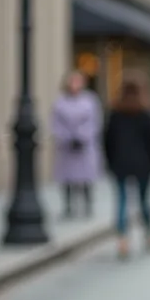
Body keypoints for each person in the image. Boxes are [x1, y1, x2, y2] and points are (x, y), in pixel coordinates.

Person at [103, 77, 150, 259]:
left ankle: (123, 240)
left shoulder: (115, 114)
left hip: (120, 163)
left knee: (121, 201)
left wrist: (110, 162)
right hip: (143, 163)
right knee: (144, 200)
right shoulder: (144, 113)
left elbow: (107, 141)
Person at [50, 70, 103, 218]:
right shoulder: (60, 102)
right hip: (66, 147)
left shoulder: (90, 101)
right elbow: (55, 124)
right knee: (67, 179)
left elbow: (95, 122)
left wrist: (82, 136)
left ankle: (87, 205)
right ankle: (68, 207)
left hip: (84, 146)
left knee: (86, 178)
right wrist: (66, 137)